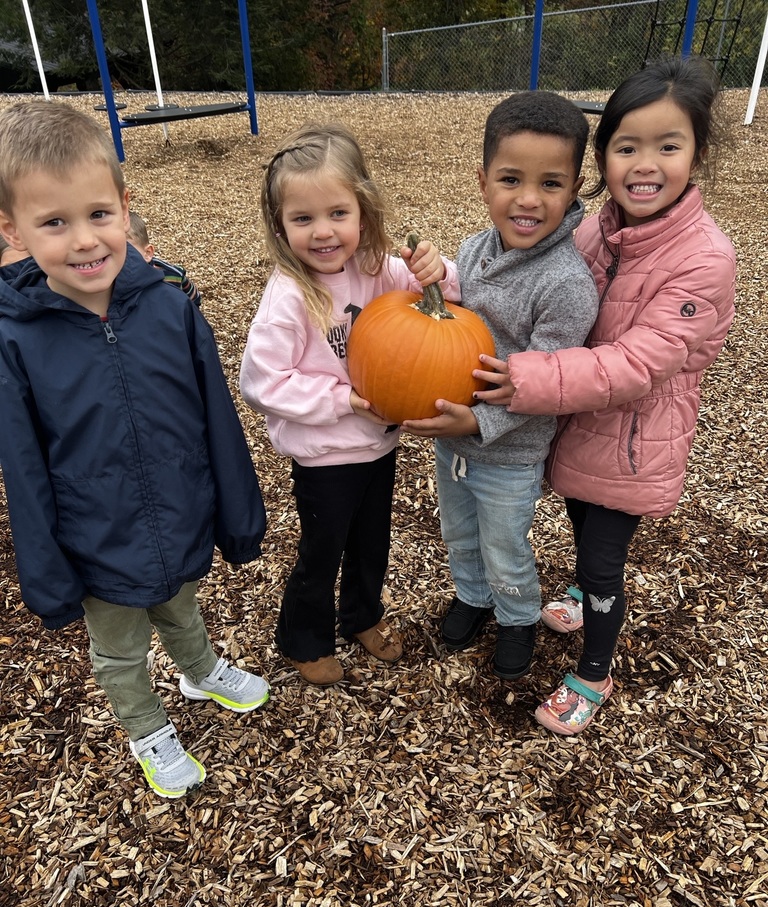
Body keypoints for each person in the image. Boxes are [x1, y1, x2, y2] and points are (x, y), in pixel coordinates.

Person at [0, 101, 270, 798]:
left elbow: (217, 418)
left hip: (178, 509)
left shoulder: (169, 307)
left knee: (181, 603)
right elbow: (22, 466)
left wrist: (237, 512)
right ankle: (147, 728)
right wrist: (47, 570)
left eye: (98, 214)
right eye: (54, 223)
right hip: (93, 535)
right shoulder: (16, 340)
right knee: (120, 648)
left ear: (125, 207)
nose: (84, 241)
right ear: (12, 229)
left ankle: (200, 671)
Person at [472, 56, 736, 735]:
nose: (645, 165)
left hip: (634, 443)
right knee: (580, 526)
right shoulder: (598, 228)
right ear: (603, 157)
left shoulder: (704, 259)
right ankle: (582, 595)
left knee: (601, 560)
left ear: (697, 155)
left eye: (668, 146)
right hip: (582, 426)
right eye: (627, 147)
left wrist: (528, 378)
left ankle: (593, 673)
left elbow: (638, 364)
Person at [240, 122, 460, 687]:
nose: (322, 231)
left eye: (337, 213)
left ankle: (362, 614)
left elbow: (445, 303)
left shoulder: (379, 267)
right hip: (325, 456)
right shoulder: (289, 297)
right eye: (302, 218)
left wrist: (438, 272)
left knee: (371, 544)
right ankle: (303, 637)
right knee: (323, 551)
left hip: (379, 444)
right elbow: (262, 382)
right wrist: (343, 399)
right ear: (280, 225)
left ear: (363, 210)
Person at [403, 92, 599, 682]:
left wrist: (478, 421)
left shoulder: (566, 285)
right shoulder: (473, 250)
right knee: (459, 533)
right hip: (454, 441)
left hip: (511, 452)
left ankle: (516, 616)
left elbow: (548, 380)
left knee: (505, 545)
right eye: (511, 179)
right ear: (484, 182)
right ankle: (473, 596)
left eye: (550, 183)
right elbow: (455, 317)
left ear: (575, 189)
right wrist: (438, 278)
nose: (529, 199)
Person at [126, 210, 202, 306]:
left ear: (147, 253)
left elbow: (194, 299)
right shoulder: (110, 282)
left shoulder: (172, 276)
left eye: (127, 250)